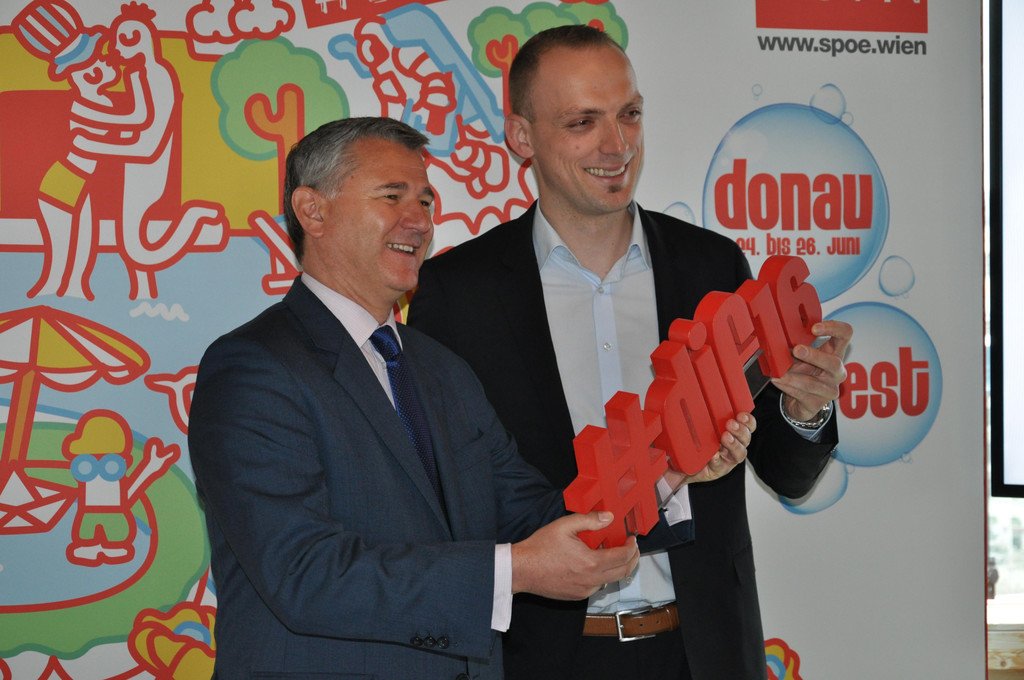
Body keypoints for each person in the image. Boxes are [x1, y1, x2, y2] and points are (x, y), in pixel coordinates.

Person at [408, 25, 852, 680]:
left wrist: (805, 411)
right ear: (522, 136)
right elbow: (444, 502)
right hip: (539, 657)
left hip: (703, 652)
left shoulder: (713, 266)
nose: (616, 145)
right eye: (582, 122)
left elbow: (786, 472)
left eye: (630, 114)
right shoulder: (456, 294)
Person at [188, 116, 645, 680]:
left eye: (426, 201)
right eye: (392, 196)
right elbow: (304, 572)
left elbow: (528, 511)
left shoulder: (442, 369)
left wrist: (666, 472)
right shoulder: (254, 368)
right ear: (313, 211)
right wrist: (515, 571)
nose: (420, 220)